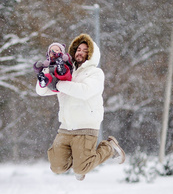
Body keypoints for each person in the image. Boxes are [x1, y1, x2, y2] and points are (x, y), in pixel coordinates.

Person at [35, 33, 125, 181]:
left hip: (86, 126)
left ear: (91, 55)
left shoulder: (95, 73)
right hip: (66, 126)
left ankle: (109, 148)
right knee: (56, 166)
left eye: (85, 50)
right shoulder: (65, 71)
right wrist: (45, 75)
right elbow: (41, 91)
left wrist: (58, 84)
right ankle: (81, 161)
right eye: (78, 49)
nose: (80, 52)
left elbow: (85, 91)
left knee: (80, 168)